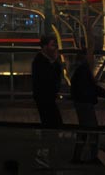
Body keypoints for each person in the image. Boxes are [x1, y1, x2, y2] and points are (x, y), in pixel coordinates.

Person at [69, 47, 105, 164]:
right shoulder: (84, 70)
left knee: (83, 130)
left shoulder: (79, 69)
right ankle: (93, 156)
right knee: (93, 130)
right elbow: (92, 87)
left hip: (81, 102)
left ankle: (78, 156)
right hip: (85, 103)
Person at [32, 35, 65, 170]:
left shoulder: (43, 61)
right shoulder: (41, 62)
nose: (54, 48)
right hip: (45, 97)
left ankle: (47, 152)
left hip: (46, 97)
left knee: (51, 123)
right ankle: (45, 152)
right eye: (52, 45)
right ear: (45, 47)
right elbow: (50, 79)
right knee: (52, 123)